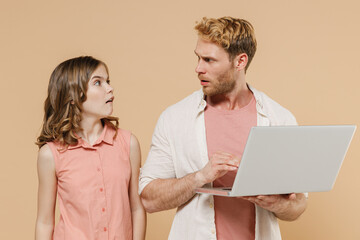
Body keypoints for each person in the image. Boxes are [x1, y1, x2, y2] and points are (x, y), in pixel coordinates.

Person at [139, 17, 307, 240]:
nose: (198, 68)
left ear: (240, 62)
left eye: (209, 60)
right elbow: (149, 199)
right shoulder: (174, 118)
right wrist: (200, 177)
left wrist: (274, 202)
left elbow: (299, 205)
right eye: (198, 58)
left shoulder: (280, 119)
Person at [35, 56, 146, 240]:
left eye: (108, 81)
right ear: (72, 97)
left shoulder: (129, 144)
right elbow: (44, 222)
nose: (110, 88)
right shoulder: (51, 154)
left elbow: (137, 209)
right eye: (98, 82)